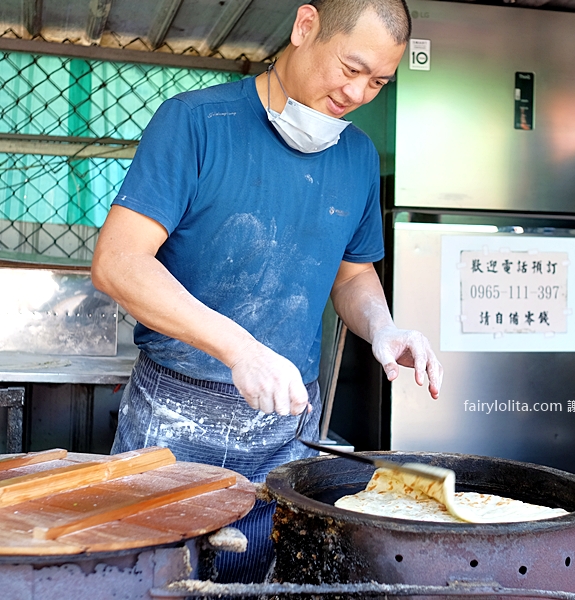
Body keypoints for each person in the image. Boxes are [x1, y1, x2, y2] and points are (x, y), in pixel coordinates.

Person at [91, 0, 443, 583]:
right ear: (305, 28)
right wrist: (240, 349)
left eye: (378, 81)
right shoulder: (195, 122)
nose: (358, 94)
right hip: (175, 415)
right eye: (350, 69)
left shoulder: (356, 155)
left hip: (286, 430)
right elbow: (118, 263)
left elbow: (352, 274)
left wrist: (383, 329)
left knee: (262, 581)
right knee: (150, 580)